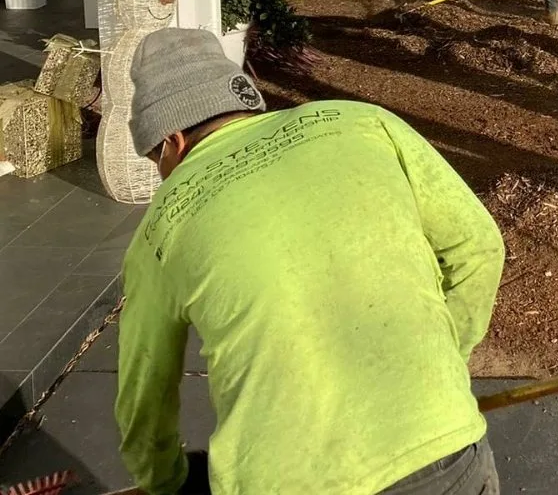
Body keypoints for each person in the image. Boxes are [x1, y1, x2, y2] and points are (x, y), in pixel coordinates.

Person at [116, 28, 505, 495]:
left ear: (172, 140)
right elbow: (479, 249)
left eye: (155, 158)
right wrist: (444, 364)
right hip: (446, 456)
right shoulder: (364, 122)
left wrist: (165, 482)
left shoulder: (159, 229)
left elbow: (145, 391)